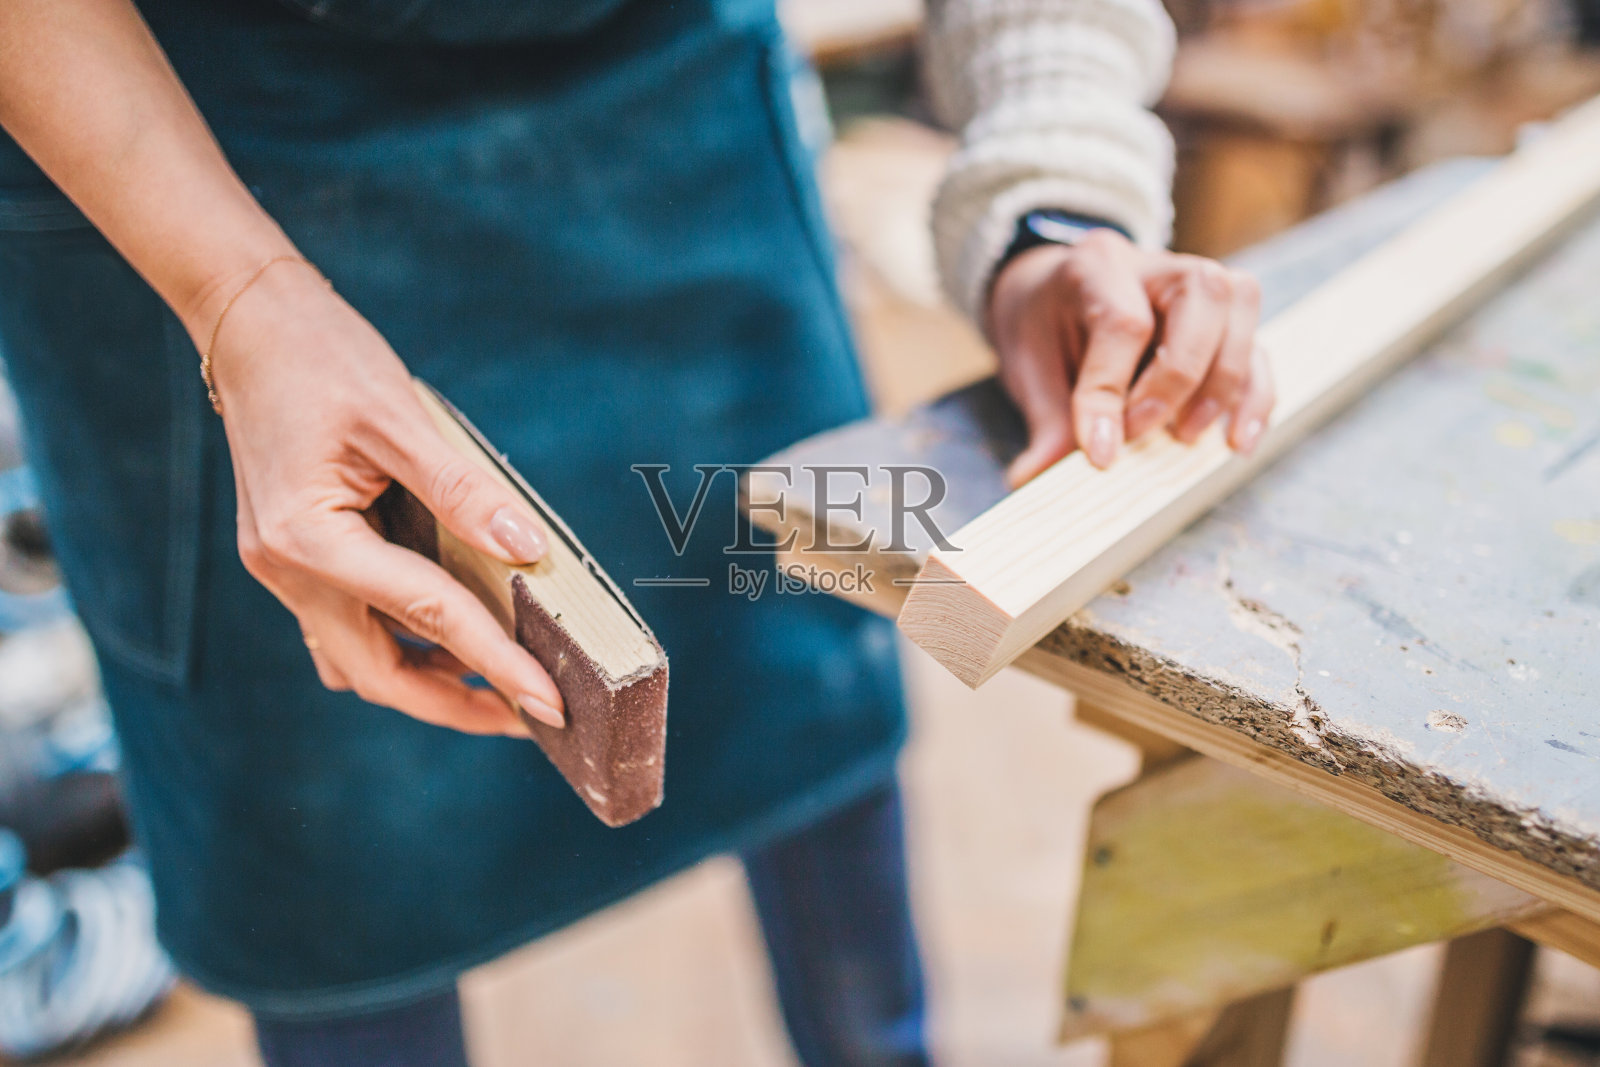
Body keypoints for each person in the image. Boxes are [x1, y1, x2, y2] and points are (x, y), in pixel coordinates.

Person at [0, 0, 1272, 1063]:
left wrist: (1051, 201)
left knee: (798, 718)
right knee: (341, 881)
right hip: (177, 149)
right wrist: (238, 296)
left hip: (670, 128)